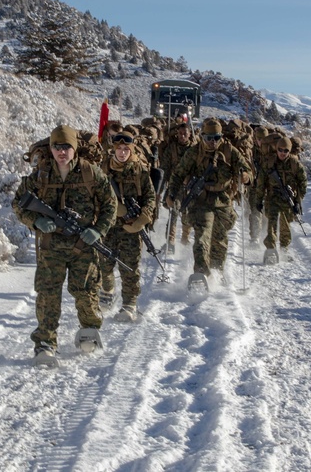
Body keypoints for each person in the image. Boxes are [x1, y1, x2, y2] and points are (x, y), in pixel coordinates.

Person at [13, 124, 117, 364]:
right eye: (57, 147)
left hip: (83, 245)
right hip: (51, 248)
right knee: (48, 295)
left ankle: (89, 330)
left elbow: (110, 205)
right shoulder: (40, 175)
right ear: (50, 148)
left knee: (86, 291)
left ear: (75, 148)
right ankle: (45, 343)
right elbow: (19, 204)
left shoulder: (91, 173)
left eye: (67, 147)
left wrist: (98, 230)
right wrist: (36, 220)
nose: (62, 152)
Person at [164, 117, 252, 282]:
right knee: (202, 236)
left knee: (219, 239)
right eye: (209, 138)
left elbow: (246, 169)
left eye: (216, 138)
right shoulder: (194, 152)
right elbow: (178, 174)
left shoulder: (229, 151)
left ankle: (216, 273)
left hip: (223, 199)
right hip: (201, 200)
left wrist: (245, 176)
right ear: (202, 136)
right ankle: (200, 274)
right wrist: (172, 194)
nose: (213, 142)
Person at [98, 128, 156, 321]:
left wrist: (142, 219)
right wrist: (115, 209)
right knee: (104, 264)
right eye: (119, 148)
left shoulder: (140, 170)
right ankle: (107, 289)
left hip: (131, 227)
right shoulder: (102, 169)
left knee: (130, 267)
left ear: (131, 150)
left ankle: (129, 304)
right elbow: (93, 195)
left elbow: (150, 197)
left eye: (126, 149)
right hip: (106, 225)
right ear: (113, 149)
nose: (122, 152)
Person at [254, 135, 308, 255]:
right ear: (276, 149)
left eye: (286, 151)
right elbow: (261, 183)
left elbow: (303, 183)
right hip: (272, 198)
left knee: (285, 226)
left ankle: (284, 249)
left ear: (289, 151)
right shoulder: (269, 163)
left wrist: (298, 201)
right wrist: (259, 200)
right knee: (271, 224)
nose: (282, 153)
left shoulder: (295, 164)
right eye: (280, 150)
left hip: (288, 200)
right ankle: (271, 249)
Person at [159, 120, 198, 250]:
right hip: (174, 185)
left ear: (189, 134)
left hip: (189, 186)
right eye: (180, 133)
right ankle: (170, 241)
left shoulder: (194, 149)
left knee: (187, 214)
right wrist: (161, 187)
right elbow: (164, 167)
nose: (182, 136)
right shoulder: (172, 149)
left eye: (185, 134)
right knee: (173, 213)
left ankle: (185, 238)